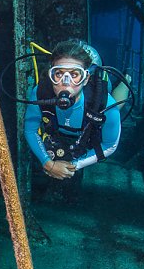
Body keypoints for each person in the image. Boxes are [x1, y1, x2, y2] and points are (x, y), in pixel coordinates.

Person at [23, 39, 128, 182]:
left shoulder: (105, 103)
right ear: (51, 75)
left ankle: (126, 80)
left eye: (74, 75)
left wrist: (74, 165)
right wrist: (48, 163)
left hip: (95, 114)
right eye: (59, 74)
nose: (66, 83)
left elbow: (110, 144)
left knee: (116, 106)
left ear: (85, 79)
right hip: (65, 132)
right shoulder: (39, 93)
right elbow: (30, 129)